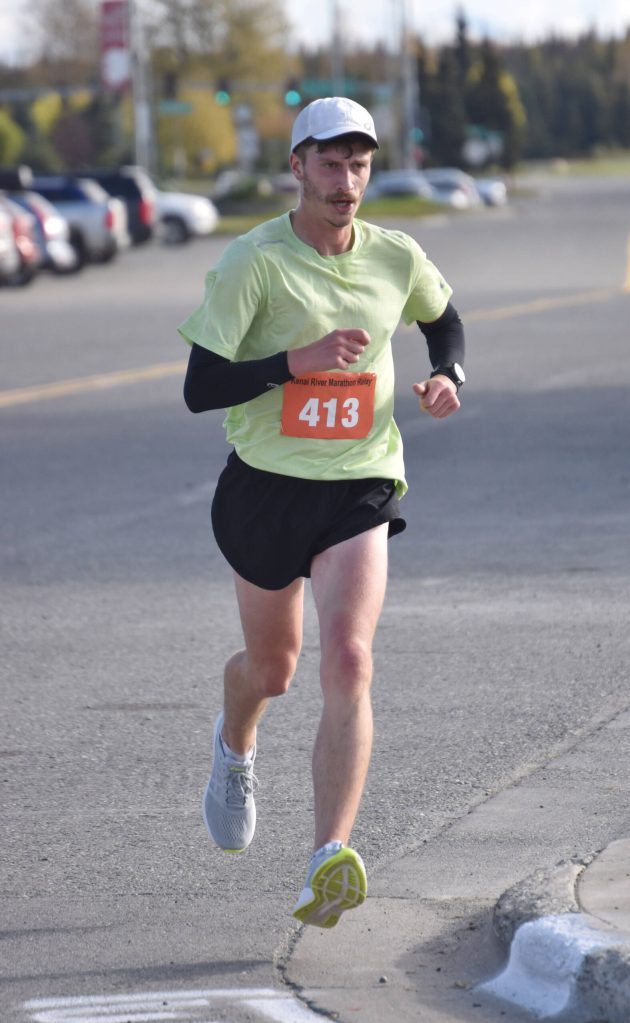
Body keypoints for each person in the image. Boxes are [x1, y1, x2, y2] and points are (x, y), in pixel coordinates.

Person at [179, 96, 465, 929]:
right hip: (265, 486)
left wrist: (449, 372)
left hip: (360, 481)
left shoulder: (395, 254)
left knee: (350, 657)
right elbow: (201, 388)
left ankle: (325, 858)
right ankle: (235, 747)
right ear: (297, 167)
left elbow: (442, 318)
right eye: (331, 165)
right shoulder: (252, 262)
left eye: (360, 165)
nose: (348, 183)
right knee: (274, 672)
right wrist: (290, 364)